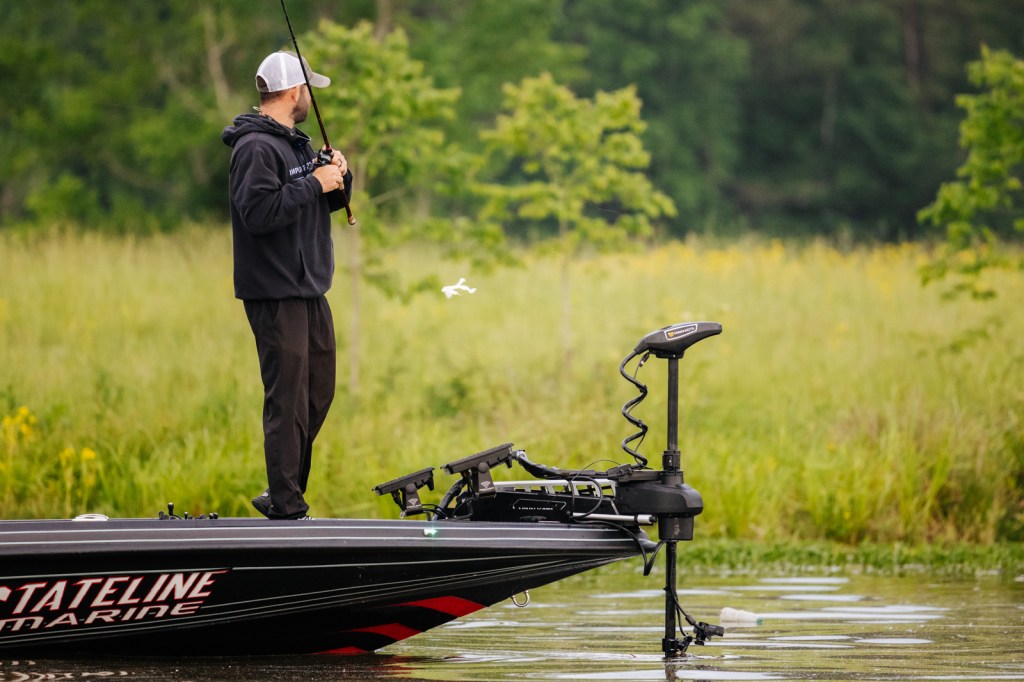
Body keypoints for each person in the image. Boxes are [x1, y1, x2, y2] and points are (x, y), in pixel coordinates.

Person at [221, 51, 352, 520]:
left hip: (309, 287)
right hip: (275, 293)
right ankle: (287, 504)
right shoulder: (255, 148)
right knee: (288, 399)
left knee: (317, 394)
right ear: (294, 92)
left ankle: (281, 490)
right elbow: (258, 214)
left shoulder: (295, 143)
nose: (311, 98)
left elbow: (316, 202)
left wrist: (338, 176)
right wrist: (314, 183)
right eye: (308, 89)